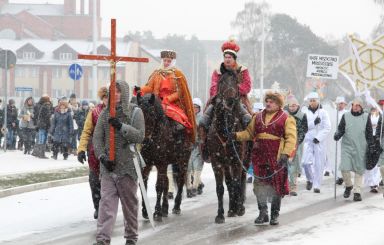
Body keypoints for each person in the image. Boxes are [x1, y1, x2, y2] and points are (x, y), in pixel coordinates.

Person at [233, 92, 297, 226]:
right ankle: (263, 213)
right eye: (267, 101)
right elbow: (249, 134)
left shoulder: (286, 118)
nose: (268, 103)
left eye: (272, 102)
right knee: (259, 185)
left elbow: (291, 138)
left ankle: (274, 214)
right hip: (259, 155)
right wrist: (235, 136)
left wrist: (286, 154)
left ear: (279, 104)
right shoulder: (257, 117)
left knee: (276, 185)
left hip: (277, 156)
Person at [93, 80, 145, 245]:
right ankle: (103, 239)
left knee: (129, 204)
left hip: (127, 165)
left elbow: (139, 136)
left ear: (124, 93)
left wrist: (122, 126)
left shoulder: (135, 113)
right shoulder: (104, 113)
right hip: (108, 166)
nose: (114, 95)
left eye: (117, 91)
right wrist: (102, 157)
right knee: (106, 204)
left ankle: (131, 237)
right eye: (111, 92)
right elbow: (97, 138)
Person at [134, 50, 195, 144]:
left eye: (169, 61)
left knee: (178, 119)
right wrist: (141, 90)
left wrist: (168, 99)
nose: (166, 63)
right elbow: (150, 87)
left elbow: (179, 92)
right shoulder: (156, 73)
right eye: (165, 60)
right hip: (156, 101)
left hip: (171, 103)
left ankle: (179, 138)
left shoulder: (177, 75)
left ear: (172, 62)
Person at [200, 39, 252, 131]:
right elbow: (213, 87)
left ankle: (250, 142)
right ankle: (202, 142)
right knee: (203, 121)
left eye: (230, 57)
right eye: (226, 57)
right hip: (219, 99)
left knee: (249, 120)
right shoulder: (217, 71)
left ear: (234, 58)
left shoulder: (243, 70)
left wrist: (232, 91)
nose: (227, 60)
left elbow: (247, 87)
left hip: (238, 100)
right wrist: (220, 95)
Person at [77, 87, 108, 219]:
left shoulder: (118, 112)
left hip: (112, 152)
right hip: (94, 152)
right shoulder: (94, 112)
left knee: (109, 184)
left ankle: (107, 208)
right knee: (94, 181)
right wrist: (81, 149)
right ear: (102, 98)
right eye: (105, 97)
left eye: (110, 96)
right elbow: (86, 131)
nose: (107, 99)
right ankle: (97, 206)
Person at [334, 97, 370, 201]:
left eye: (357, 105)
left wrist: (371, 145)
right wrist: (337, 135)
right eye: (353, 105)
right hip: (347, 146)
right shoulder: (346, 116)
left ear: (361, 107)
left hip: (361, 146)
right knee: (344, 167)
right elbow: (340, 129)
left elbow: (368, 132)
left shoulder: (366, 117)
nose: (355, 107)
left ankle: (357, 192)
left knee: (359, 169)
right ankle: (348, 185)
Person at [301, 92, 331, 193]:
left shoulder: (323, 112)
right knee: (305, 162)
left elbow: (327, 127)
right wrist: (313, 123)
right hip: (308, 140)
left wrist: (318, 137)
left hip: (319, 142)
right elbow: (304, 126)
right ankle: (310, 179)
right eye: (311, 101)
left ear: (318, 101)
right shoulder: (305, 112)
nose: (312, 102)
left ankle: (317, 185)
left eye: (314, 100)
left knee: (319, 164)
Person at [286, 95, 308, 196]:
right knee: (284, 165)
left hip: (296, 143)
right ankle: (284, 186)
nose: (292, 108)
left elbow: (304, 129)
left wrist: (297, 141)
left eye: (294, 106)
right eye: (290, 106)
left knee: (294, 166)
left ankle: (293, 187)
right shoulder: (284, 115)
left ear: (298, 106)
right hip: (285, 142)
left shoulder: (302, 116)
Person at [186, 98, 205, 198]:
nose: (194, 109)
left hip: (198, 146)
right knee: (189, 166)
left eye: (196, 107)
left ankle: (194, 187)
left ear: (199, 108)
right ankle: (189, 187)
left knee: (197, 166)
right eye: (193, 107)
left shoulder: (202, 118)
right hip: (189, 145)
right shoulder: (188, 117)